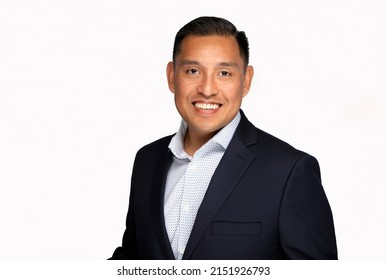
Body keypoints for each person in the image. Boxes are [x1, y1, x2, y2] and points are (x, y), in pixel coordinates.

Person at [110, 16, 338, 260]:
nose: (207, 89)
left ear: (246, 80)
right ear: (171, 76)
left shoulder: (289, 171)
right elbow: (133, 259)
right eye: (193, 71)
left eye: (224, 73)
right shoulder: (147, 160)